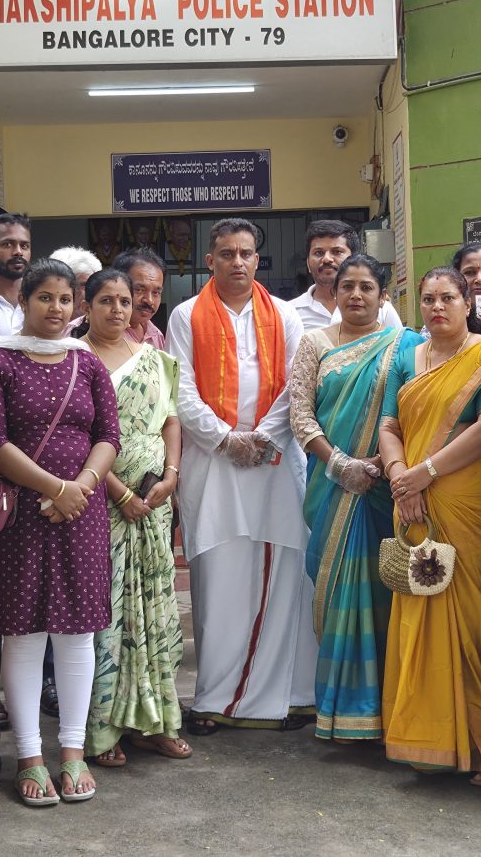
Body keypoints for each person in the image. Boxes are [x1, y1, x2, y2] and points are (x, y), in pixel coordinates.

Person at [0, 259, 122, 808]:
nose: (56, 309)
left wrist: (81, 487)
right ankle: (30, 756)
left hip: (83, 511)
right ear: (24, 302)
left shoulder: (87, 362)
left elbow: (108, 435)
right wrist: (55, 488)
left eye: (64, 299)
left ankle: (73, 751)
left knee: (77, 635)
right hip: (21, 513)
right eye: (44, 298)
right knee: (24, 634)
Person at [166, 218, 316, 734]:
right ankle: (216, 697)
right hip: (214, 464)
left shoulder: (285, 315)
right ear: (210, 261)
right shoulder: (186, 315)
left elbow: (298, 384)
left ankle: (288, 697)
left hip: (274, 464)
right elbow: (181, 390)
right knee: (219, 578)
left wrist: (265, 437)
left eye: (245, 253)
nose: (237, 262)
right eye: (227, 253)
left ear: (257, 259)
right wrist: (226, 439)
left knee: (283, 576)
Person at [378, 265, 481, 784]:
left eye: (448, 298)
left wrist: (425, 473)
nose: (437, 307)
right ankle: (430, 741)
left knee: (471, 618)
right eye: (428, 299)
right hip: (412, 502)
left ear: (468, 303)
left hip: (466, 501)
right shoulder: (406, 357)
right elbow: (389, 425)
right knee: (420, 612)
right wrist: (401, 477)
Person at [285, 253, 405, 742]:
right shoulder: (314, 343)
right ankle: (345, 713)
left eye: (366, 287)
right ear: (333, 294)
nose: (355, 295)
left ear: (383, 296)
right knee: (339, 593)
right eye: (346, 286)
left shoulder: (402, 345)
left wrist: (380, 466)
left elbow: (408, 414)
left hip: (384, 489)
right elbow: (300, 414)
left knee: (387, 592)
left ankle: (390, 710)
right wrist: (339, 465)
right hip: (332, 487)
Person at [78, 268, 190, 767]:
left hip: (154, 503)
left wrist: (170, 476)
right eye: (107, 300)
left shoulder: (155, 359)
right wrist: (119, 491)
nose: (119, 309)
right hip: (99, 503)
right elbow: (77, 438)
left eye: (125, 301)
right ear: (86, 305)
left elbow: (171, 421)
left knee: (157, 610)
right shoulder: (74, 359)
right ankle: (105, 730)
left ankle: (155, 721)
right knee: (110, 615)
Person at [287, 219, 402, 335]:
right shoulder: (290, 312)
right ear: (307, 263)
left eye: (337, 252)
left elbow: (399, 344)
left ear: (354, 259)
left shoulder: (381, 309)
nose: (327, 259)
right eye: (318, 253)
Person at [113, 249, 170, 349]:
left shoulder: (156, 335)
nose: (149, 300)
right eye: (139, 290)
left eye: (156, 292)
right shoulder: (101, 334)